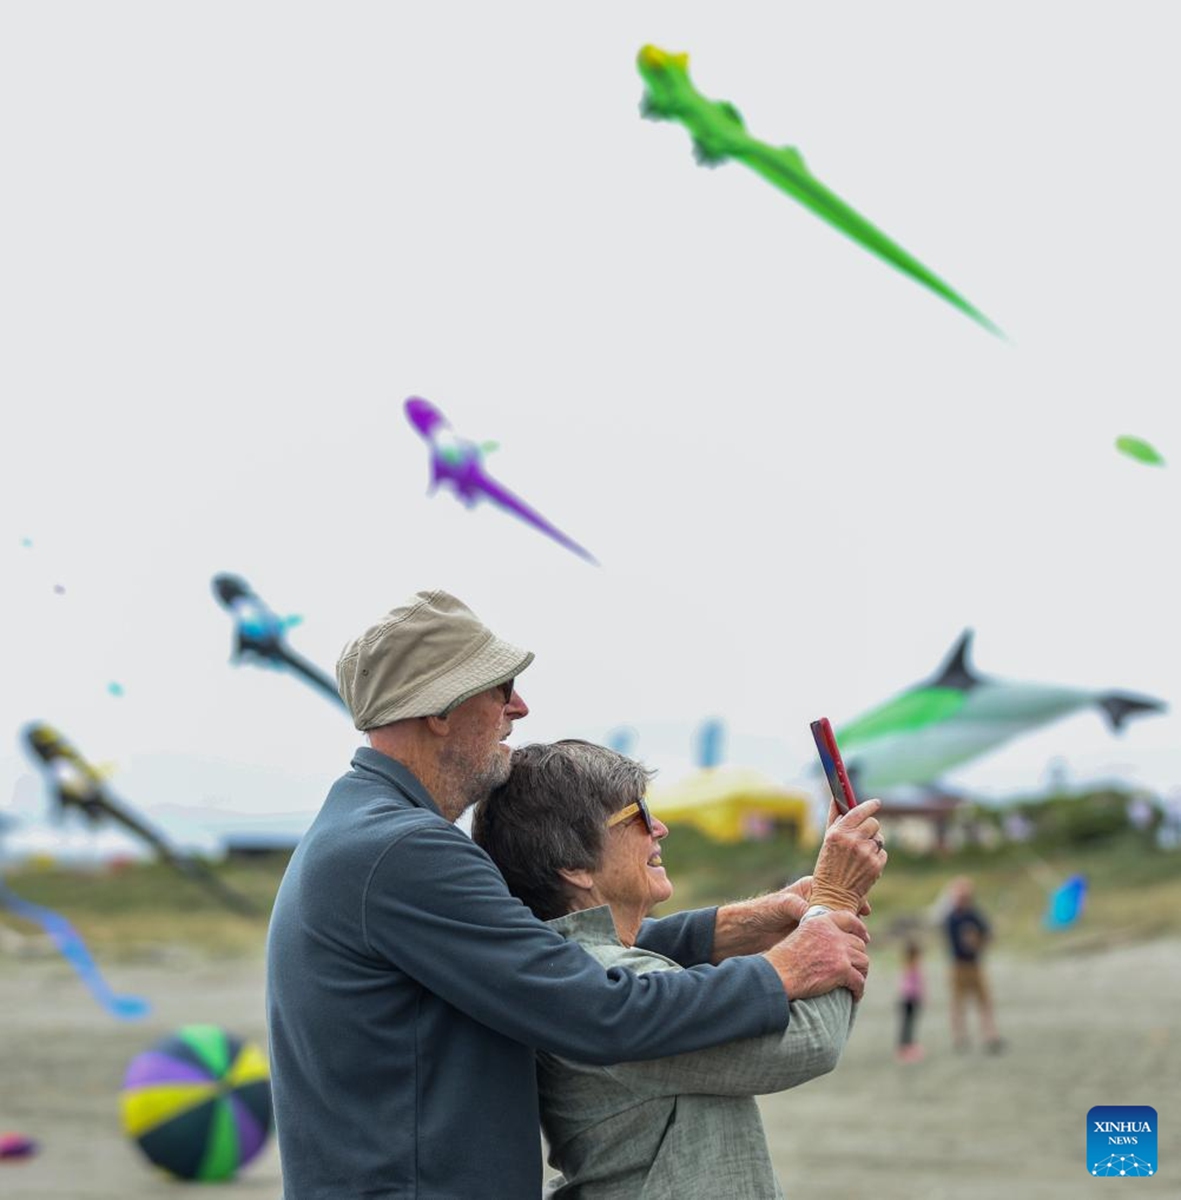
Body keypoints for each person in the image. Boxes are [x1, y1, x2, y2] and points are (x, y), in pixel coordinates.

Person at [266, 589, 885, 1199]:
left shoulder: (369, 832)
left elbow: (545, 964)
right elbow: (596, 1007)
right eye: (501, 689)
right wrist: (791, 960)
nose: (521, 708)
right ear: (439, 708)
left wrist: (743, 924)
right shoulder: (401, 850)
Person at [472, 739, 885, 1199]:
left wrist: (809, 915)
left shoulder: (574, 967)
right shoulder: (608, 978)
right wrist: (834, 902)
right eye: (639, 816)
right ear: (574, 866)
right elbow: (810, 1042)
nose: (661, 828)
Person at [944, 876, 1004, 1053]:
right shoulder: (951, 918)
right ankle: (959, 1037)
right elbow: (957, 943)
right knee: (958, 1003)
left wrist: (979, 941)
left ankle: (990, 1035)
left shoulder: (975, 914)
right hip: (958, 966)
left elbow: (987, 936)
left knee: (984, 1001)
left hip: (975, 965)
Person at [896, 938, 925, 1063]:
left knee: (909, 1024)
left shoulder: (909, 966)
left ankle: (908, 1045)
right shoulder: (911, 967)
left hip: (909, 999)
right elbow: (910, 986)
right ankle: (905, 1047)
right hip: (909, 999)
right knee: (908, 1025)